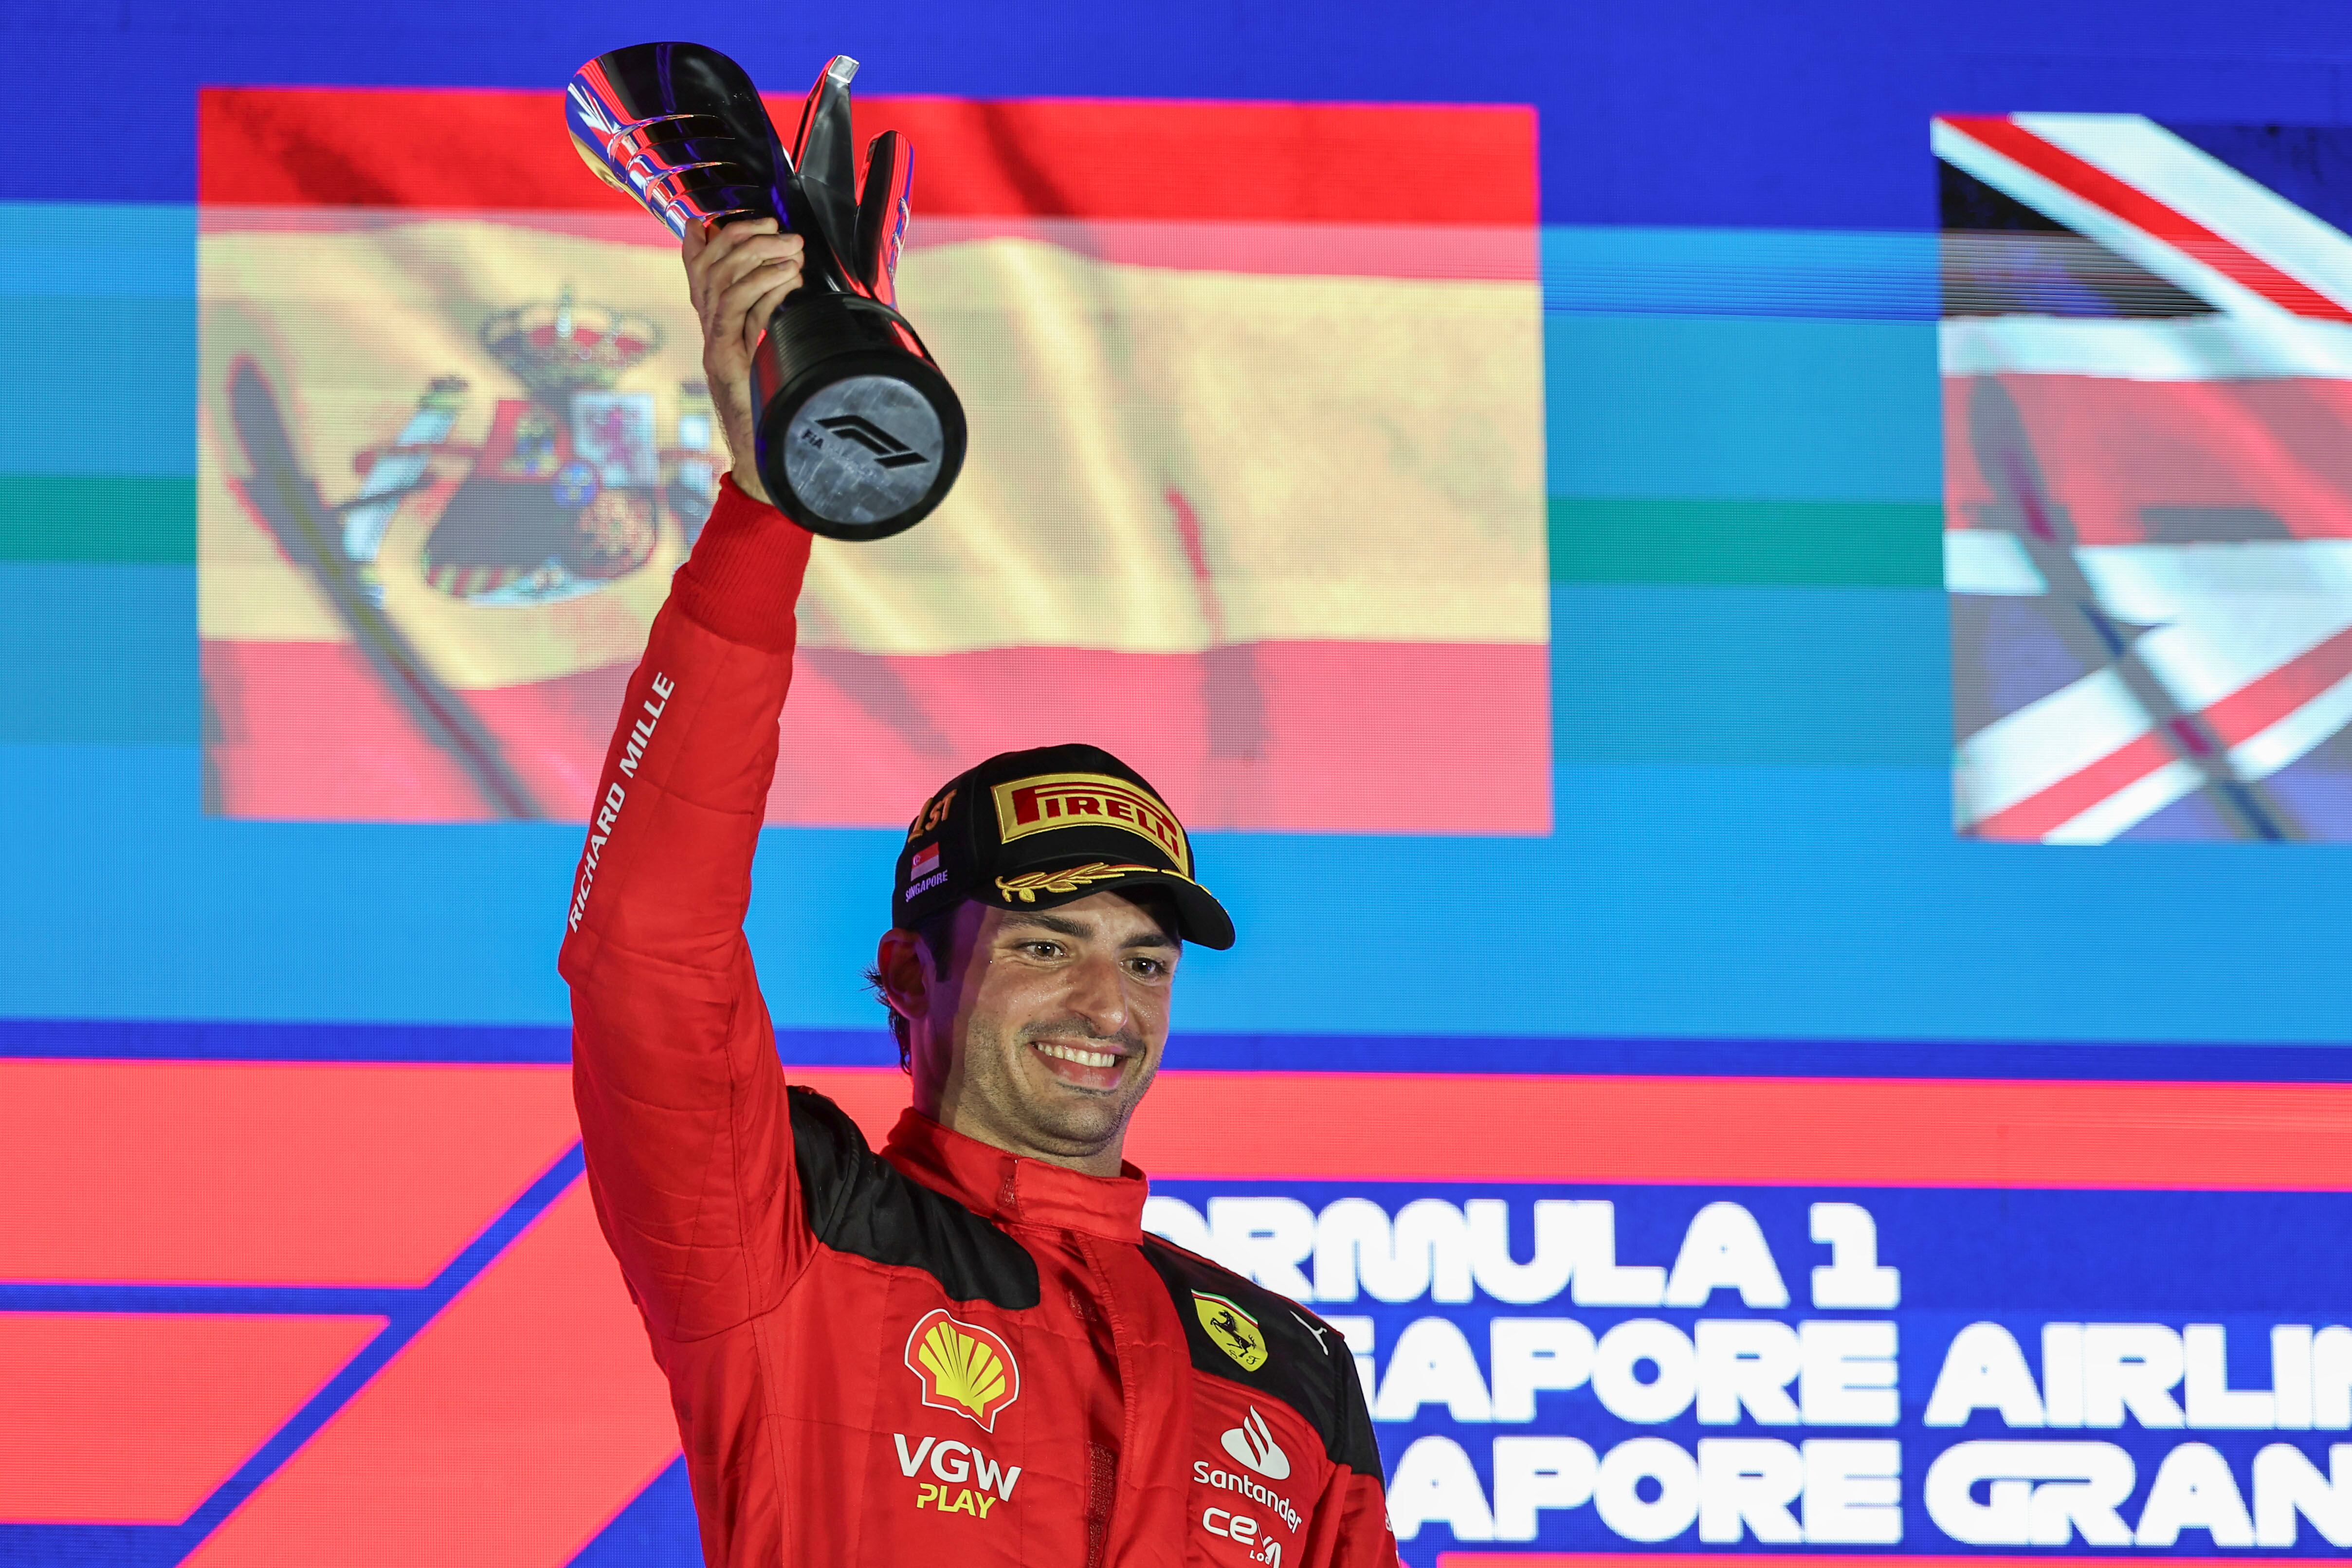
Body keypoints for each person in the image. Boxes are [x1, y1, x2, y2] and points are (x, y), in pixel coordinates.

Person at [560, 215, 1400, 1568]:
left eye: (1145, 960)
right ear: (911, 979)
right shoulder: (794, 1228)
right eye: (1046, 945)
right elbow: (648, 945)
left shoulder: (1290, 1373)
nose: (1107, 1006)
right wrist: (770, 507)